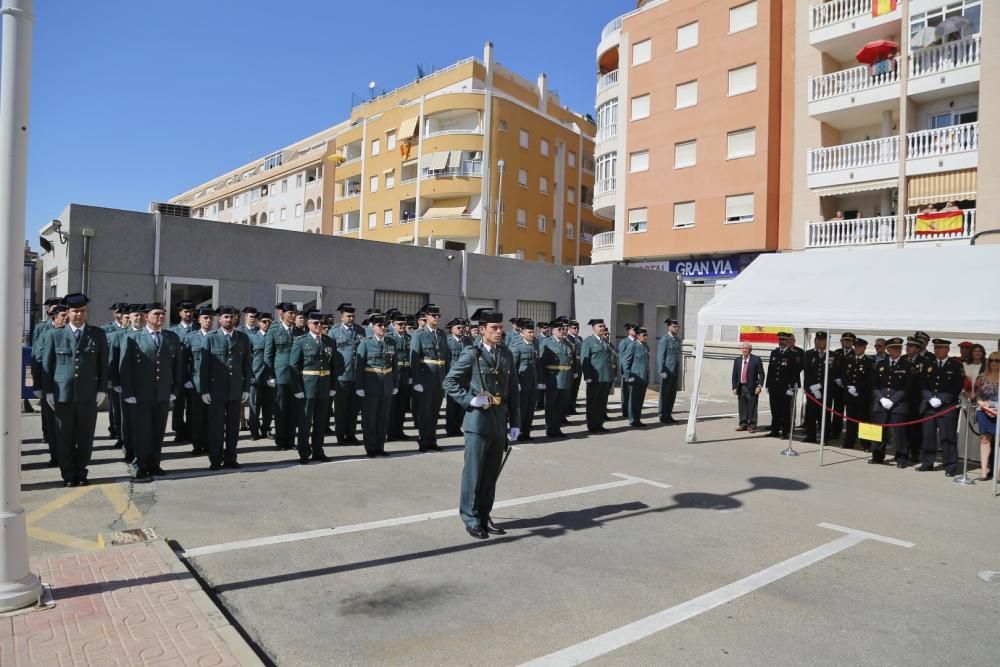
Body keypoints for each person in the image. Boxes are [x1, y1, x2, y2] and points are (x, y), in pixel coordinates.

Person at [442, 309, 520, 540]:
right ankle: (471, 518)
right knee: (474, 474)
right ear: (482, 330)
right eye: (494, 328)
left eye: (500, 327)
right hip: (477, 421)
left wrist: (515, 423)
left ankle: (485, 516)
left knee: (490, 475)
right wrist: (470, 400)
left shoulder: (506, 354)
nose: (499, 332)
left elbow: (512, 390)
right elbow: (449, 381)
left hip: (498, 421)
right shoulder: (471, 354)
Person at [41, 293, 108, 487]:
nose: (78, 314)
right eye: (75, 311)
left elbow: (104, 364)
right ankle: (68, 475)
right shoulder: (55, 335)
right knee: (64, 437)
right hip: (62, 395)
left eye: (82, 311)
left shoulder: (97, 334)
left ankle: (82, 472)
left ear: (86, 312)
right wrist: (49, 392)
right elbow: (47, 366)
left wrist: (102, 389)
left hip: (88, 395)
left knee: (85, 437)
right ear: (67, 313)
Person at [119, 303, 183, 480]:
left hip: (162, 393)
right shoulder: (133, 338)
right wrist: (128, 392)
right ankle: (140, 465)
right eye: (156, 314)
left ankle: (154, 464)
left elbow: (177, 366)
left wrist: (175, 389)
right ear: (147, 316)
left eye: (163, 314)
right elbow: (125, 368)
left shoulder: (171, 338)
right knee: (142, 432)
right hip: (141, 393)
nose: (160, 317)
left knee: (158, 431)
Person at [199, 306, 252, 470]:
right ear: (220, 319)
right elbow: (204, 367)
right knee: (216, 427)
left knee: (233, 427)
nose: (229, 320)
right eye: (226, 317)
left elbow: (246, 365)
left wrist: (246, 388)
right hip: (216, 390)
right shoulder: (210, 338)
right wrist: (205, 390)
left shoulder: (242, 338)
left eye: (232, 317)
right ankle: (215, 460)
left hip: (235, 389)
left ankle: (231, 458)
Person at [290, 310, 339, 464]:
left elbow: (334, 365)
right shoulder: (301, 341)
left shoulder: (329, 341)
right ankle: (304, 452)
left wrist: (332, 385)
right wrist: (297, 389)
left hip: (324, 385)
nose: (319, 326)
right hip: (307, 385)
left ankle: (318, 450)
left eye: (321, 323)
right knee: (305, 421)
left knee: (321, 420)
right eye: (316, 323)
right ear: (309, 324)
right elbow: (293, 366)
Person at [918, 339, 964, 475]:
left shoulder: (956, 366)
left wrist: (941, 399)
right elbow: (922, 384)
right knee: (928, 436)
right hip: (929, 406)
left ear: (948, 350)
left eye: (941, 348)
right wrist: (930, 398)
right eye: (936, 347)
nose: (937, 350)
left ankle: (950, 466)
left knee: (948, 437)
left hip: (946, 407)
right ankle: (927, 462)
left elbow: (956, 386)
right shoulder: (928, 364)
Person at [355, 313, 399, 457]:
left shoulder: (391, 342)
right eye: (379, 325)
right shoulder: (366, 343)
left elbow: (395, 365)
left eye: (385, 326)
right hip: (371, 384)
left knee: (383, 417)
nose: (383, 328)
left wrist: (395, 384)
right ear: (373, 327)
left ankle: (380, 446)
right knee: (370, 418)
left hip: (386, 383)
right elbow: (359, 367)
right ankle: (371, 448)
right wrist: (359, 386)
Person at [32, 301, 68, 467]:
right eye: (63, 315)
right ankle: (56, 456)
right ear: (55, 316)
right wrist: (38, 386)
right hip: (51, 386)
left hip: (68, 388)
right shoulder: (45, 333)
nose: (67, 318)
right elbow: (37, 360)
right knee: (52, 425)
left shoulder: (71, 333)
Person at [869, 338, 915, 466]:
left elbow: (907, 387)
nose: (897, 350)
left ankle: (901, 458)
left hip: (899, 404)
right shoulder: (880, 364)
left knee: (899, 434)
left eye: (899, 348)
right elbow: (874, 385)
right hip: (881, 402)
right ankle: (877, 456)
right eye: (894, 348)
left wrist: (893, 400)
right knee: (878, 432)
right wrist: (881, 398)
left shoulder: (908, 365)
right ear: (888, 349)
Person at [410, 303, 450, 451]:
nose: (436, 318)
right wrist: (416, 381)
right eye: (433, 315)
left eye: (438, 316)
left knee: (434, 411)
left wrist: (447, 378)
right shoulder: (418, 335)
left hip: (439, 378)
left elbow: (446, 359)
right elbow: (413, 360)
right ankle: (423, 439)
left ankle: (432, 440)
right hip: (425, 378)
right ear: (426, 317)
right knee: (424, 411)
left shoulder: (441, 334)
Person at [264, 302, 299, 451]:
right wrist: (270, 375)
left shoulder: (299, 332)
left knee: (293, 410)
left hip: (295, 377)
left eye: (294, 313)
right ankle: (281, 441)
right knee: (280, 410)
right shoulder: (274, 331)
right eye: (290, 313)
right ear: (282, 314)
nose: (293, 316)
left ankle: (290, 440)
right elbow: (268, 354)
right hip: (280, 375)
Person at [331, 303, 366, 445]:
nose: (351, 318)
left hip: (356, 376)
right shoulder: (334, 332)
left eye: (352, 316)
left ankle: (351, 434)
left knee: (353, 409)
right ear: (342, 317)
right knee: (340, 409)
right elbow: (331, 356)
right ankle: (340, 436)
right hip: (342, 376)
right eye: (348, 316)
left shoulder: (360, 331)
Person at [183, 306, 215, 456]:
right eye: (205, 318)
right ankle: (197, 445)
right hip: (196, 383)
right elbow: (183, 362)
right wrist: (186, 379)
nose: (208, 321)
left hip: (215, 383)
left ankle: (210, 444)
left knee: (212, 416)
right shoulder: (191, 337)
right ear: (199, 320)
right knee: (196, 416)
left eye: (210, 318)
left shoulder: (217, 337)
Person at [539, 318, 575, 437]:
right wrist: (542, 380)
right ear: (553, 330)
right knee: (551, 406)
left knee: (561, 406)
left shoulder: (567, 343)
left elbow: (571, 361)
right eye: (560, 329)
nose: (562, 331)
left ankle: (557, 428)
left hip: (564, 379)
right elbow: (541, 363)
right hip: (552, 379)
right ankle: (550, 428)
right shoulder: (547, 343)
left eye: (564, 329)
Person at [579, 318, 617, 434]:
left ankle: (599, 424)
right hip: (594, 378)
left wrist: (611, 375)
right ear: (593, 328)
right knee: (593, 402)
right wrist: (587, 376)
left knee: (602, 402)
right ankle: (592, 425)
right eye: (600, 326)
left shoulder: (605, 342)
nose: (602, 328)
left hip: (605, 377)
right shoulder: (588, 341)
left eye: (603, 326)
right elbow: (584, 360)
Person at [170, 300, 197, 443]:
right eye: (185, 311)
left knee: (193, 406)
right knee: (178, 406)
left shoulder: (199, 329)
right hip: (179, 375)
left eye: (191, 311)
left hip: (194, 374)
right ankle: (179, 431)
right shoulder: (173, 331)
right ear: (180, 313)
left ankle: (192, 431)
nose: (188, 314)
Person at [509, 319, 539, 440]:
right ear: (523, 333)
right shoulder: (517, 346)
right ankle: (515, 435)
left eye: (533, 332)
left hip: (532, 382)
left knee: (530, 408)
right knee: (520, 410)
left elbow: (537, 364)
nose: (532, 334)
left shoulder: (535, 344)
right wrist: (516, 383)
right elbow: (513, 367)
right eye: (530, 332)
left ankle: (526, 433)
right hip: (521, 382)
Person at [842, 338, 874, 450]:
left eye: (859, 346)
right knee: (851, 420)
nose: (857, 348)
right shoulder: (848, 360)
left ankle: (866, 444)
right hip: (850, 395)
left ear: (864, 348)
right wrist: (848, 386)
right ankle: (849, 442)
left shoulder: (869, 361)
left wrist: (857, 388)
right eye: (855, 346)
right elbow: (844, 376)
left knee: (864, 420)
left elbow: (870, 379)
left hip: (863, 395)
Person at [387, 311, 412, 441]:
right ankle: (390, 432)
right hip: (393, 374)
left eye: (404, 324)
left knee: (402, 405)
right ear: (393, 324)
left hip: (405, 374)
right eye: (400, 324)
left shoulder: (408, 338)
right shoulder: (389, 337)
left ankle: (399, 430)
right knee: (392, 406)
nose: (402, 326)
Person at [973, 352, 999, 481]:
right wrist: (984, 406)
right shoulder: (981, 377)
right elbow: (976, 395)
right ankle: (984, 471)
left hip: (998, 411)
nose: (994, 363)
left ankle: (998, 472)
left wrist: (994, 407)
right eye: (992, 360)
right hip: (983, 410)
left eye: (997, 360)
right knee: (984, 439)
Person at [248, 312, 272, 440]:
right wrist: (250, 375)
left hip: (270, 377)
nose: (267, 324)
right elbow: (247, 358)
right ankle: (254, 431)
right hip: (256, 375)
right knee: (254, 406)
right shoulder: (252, 338)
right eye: (264, 321)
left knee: (268, 406)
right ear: (258, 323)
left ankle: (266, 429)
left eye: (269, 321)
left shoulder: (273, 337)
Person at [621, 327, 651, 428]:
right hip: (635, 377)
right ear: (638, 336)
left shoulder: (645, 346)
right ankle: (633, 420)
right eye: (644, 335)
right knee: (633, 400)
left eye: (646, 335)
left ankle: (637, 419)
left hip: (643, 377)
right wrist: (628, 376)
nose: (646, 337)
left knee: (640, 400)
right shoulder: (633, 346)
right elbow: (625, 361)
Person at [828, 332, 856, 439]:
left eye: (849, 340)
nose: (846, 342)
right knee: (837, 411)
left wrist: (846, 382)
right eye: (844, 340)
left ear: (853, 343)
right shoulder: (836, 353)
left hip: (849, 388)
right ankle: (835, 432)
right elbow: (832, 368)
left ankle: (851, 434)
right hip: (837, 387)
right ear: (841, 341)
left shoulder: (855, 354)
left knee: (851, 413)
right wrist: (836, 378)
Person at [732, 342, 765, 433]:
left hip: (752, 387)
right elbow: (734, 375)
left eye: (746, 348)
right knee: (742, 406)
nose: (744, 350)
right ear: (741, 349)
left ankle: (752, 425)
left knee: (752, 406)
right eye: (743, 348)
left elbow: (761, 374)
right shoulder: (737, 360)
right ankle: (743, 424)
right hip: (741, 386)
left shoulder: (756, 359)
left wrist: (759, 386)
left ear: (750, 349)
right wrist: (734, 387)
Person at [445, 318, 468, 436]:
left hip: (465, 377)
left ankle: (457, 427)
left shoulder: (467, 341)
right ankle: (450, 428)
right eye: (458, 328)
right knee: (452, 404)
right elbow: (446, 360)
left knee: (462, 404)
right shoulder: (447, 342)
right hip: (453, 377)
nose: (461, 330)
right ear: (451, 330)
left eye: (463, 328)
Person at [657, 319, 681, 424]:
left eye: (677, 327)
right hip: (666, 372)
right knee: (664, 394)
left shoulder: (677, 340)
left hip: (674, 372)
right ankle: (662, 415)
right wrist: (661, 372)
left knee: (672, 394)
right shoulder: (664, 340)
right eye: (674, 327)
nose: (676, 328)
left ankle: (668, 414)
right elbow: (660, 357)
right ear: (669, 327)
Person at [618, 323, 638, 421]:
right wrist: (626, 374)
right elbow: (622, 359)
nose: (636, 331)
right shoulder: (624, 342)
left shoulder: (638, 341)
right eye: (634, 330)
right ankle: (625, 412)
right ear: (629, 331)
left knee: (633, 394)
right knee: (626, 393)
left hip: (636, 372)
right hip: (627, 372)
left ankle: (632, 412)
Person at [566, 320, 583, 415]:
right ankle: (567, 408)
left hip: (579, 366)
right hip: (572, 366)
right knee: (569, 389)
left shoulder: (579, 338)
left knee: (575, 388)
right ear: (569, 328)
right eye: (574, 328)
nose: (576, 330)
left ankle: (572, 407)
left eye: (578, 328)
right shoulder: (567, 338)